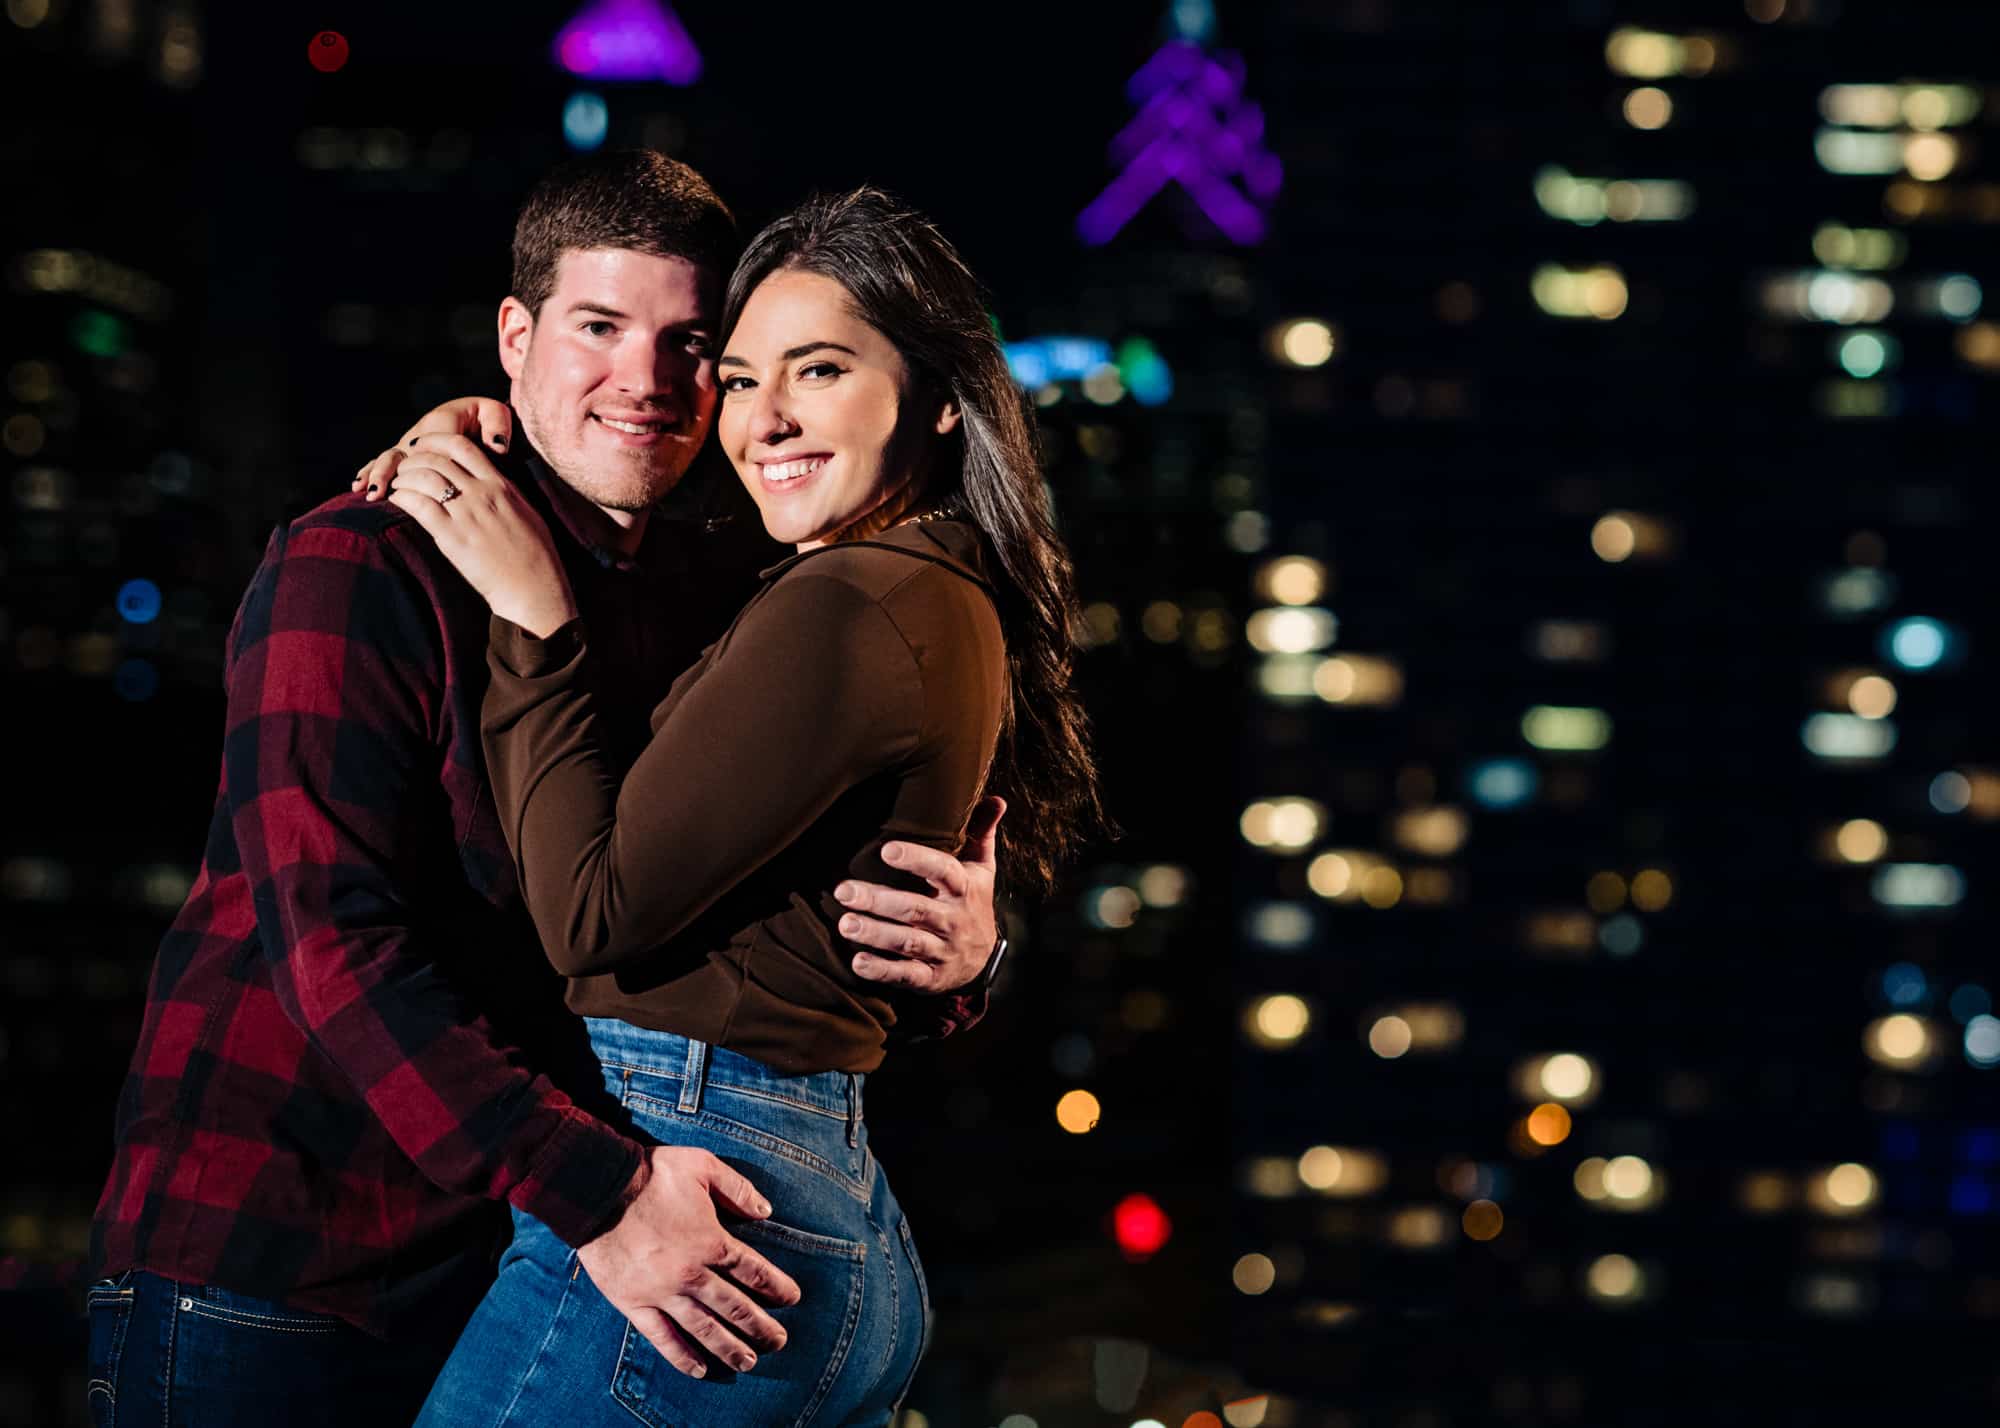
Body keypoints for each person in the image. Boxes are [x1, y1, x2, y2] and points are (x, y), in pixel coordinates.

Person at [82, 152, 1009, 1428]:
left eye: (692, 345)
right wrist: (605, 1198)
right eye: (596, 327)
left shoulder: (715, 597)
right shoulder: (363, 563)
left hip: (540, 1249)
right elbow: (335, 950)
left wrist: (959, 960)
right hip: (289, 1262)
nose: (644, 381)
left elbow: (741, 907)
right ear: (515, 340)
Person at [361, 186, 1107, 1425]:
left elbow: (594, 917)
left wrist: (534, 623)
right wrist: (487, 432)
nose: (762, 420)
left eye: (816, 371)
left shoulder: (848, 603)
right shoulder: (908, 584)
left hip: (700, 1190)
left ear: (931, 394)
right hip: (809, 1189)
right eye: (744, 375)